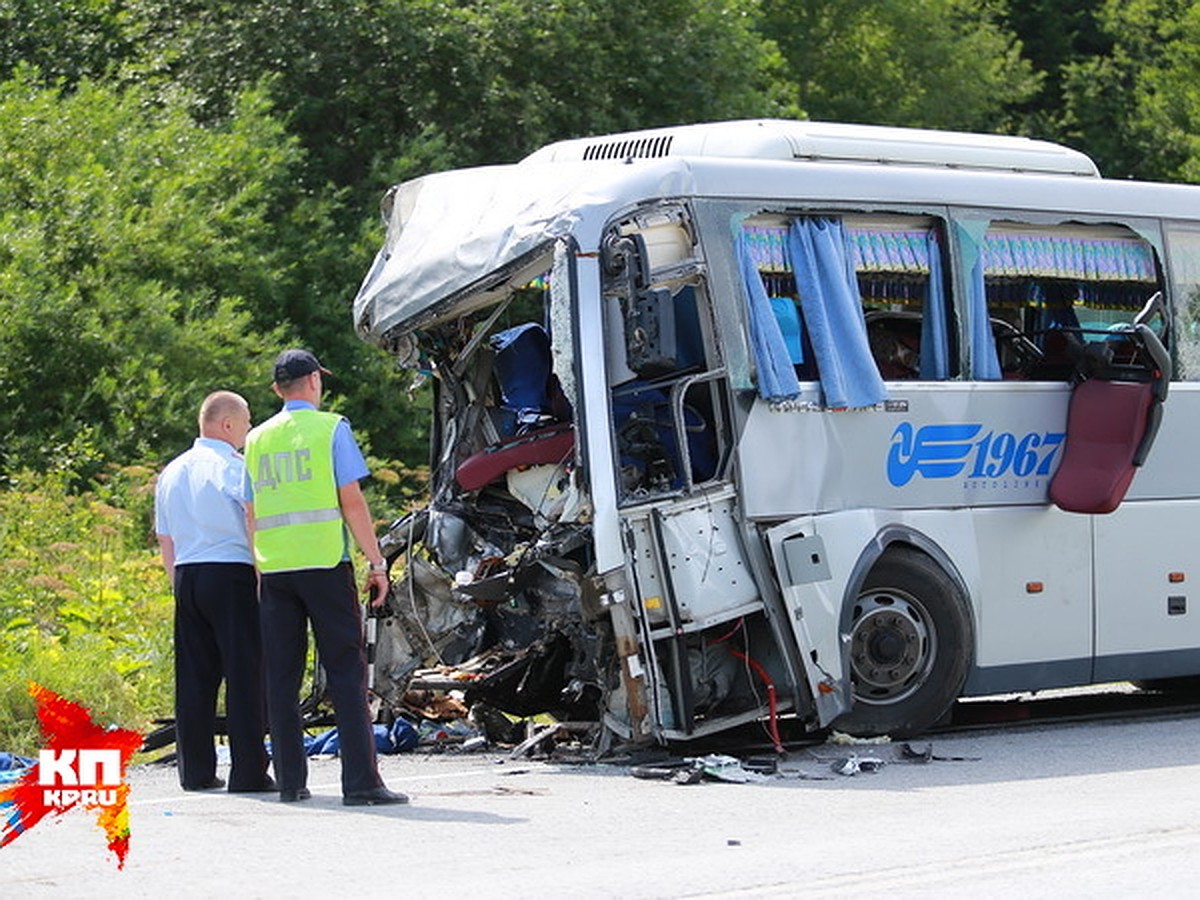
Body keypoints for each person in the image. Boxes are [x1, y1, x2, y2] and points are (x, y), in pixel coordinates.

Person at [243, 349, 407, 806]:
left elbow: (251, 511)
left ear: (278, 390)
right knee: (344, 672)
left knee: (281, 675)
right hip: (324, 566)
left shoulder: (255, 439)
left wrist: (260, 570)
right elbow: (350, 501)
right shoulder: (331, 428)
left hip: (276, 570)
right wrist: (376, 563)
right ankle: (360, 783)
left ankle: (291, 782)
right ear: (314, 381)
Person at [155, 391, 273, 793]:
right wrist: (262, 579)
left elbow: (165, 538)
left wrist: (179, 585)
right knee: (245, 675)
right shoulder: (235, 468)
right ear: (227, 425)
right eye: (246, 422)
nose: (249, 429)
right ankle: (249, 772)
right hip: (231, 573)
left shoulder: (171, 471)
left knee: (194, 679)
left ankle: (196, 771)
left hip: (187, 574)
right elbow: (251, 520)